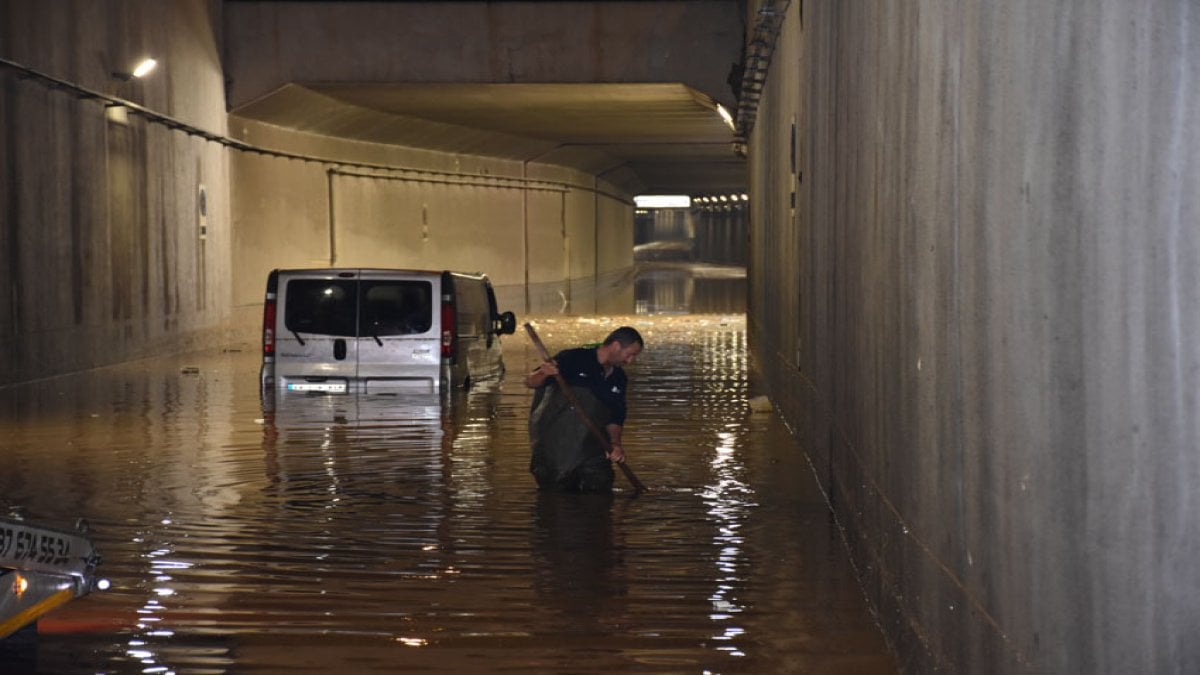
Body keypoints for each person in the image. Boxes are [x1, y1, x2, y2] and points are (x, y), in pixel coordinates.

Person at [525, 326, 644, 493]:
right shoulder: (573, 358)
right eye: (630, 354)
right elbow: (531, 382)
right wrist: (544, 373)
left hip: (594, 448)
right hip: (557, 448)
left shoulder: (619, 378)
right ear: (616, 346)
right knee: (556, 497)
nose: (630, 360)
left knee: (600, 490)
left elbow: (616, 415)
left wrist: (616, 444)